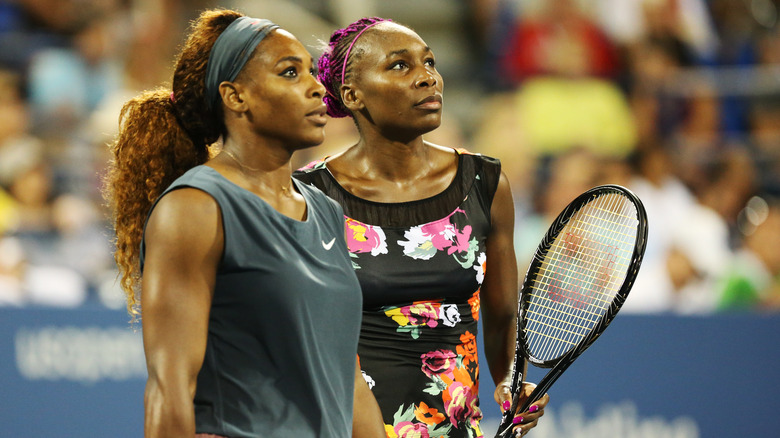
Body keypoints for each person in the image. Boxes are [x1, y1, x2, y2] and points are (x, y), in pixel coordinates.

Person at [103, 9, 384, 438]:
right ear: (236, 97)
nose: (316, 88)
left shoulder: (327, 211)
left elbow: (348, 379)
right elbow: (170, 387)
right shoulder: (195, 206)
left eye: (312, 71)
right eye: (290, 73)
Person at [294, 17, 549, 437]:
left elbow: (501, 317)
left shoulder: (485, 183)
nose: (427, 78)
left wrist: (508, 380)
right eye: (400, 66)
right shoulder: (308, 196)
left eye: (429, 62)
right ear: (351, 94)